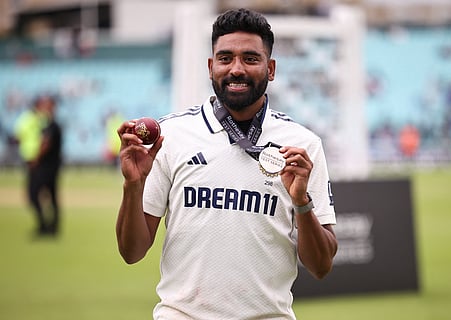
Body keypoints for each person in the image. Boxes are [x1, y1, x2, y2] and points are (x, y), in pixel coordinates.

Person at [116, 8, 337, 320]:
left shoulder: (303, 145)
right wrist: (133, 187)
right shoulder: (171, 136)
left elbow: (321, 266)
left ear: (271, 68)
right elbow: (132, 252)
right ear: (210, 66)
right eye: (225, 58)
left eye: (250, 58)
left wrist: (302, 202)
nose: (236, 69)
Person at [15, 94, 63, 237]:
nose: (44, 107)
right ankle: (50, 227)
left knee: (34, 194)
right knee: (51, 196)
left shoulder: (51, 125)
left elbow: (45, 144)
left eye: (47, 104)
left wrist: (35, 159)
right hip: (51, 166)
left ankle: (46, 226)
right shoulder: (49, 124)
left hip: (45, 167)